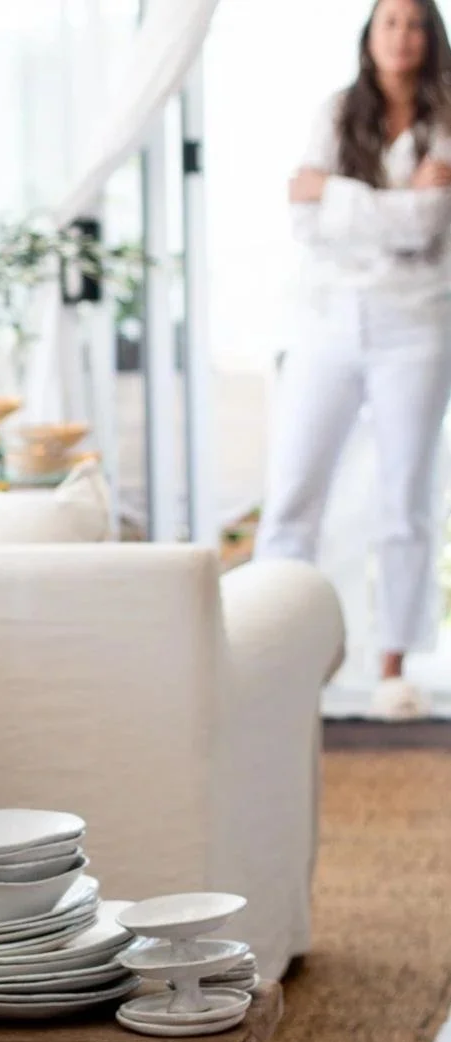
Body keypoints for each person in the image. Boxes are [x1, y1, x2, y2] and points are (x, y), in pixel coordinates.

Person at [255, 0, 451, 719]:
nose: (401, 36)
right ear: (367, 37)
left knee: (405, 499)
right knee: (293, 492)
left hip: (417, 328)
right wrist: (387, 205)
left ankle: (394, 666)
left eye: (415, 23)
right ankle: (269, 653)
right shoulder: (336, 112)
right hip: (326, 325)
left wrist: (334, 194)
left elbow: (427, 225)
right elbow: (300, 219)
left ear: (431, 38)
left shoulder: (446, 115)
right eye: (388, 22)